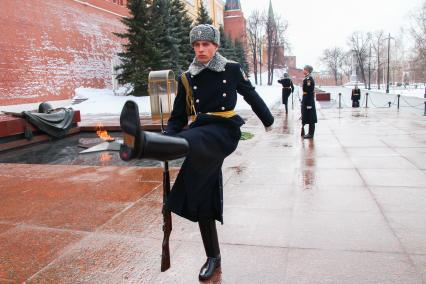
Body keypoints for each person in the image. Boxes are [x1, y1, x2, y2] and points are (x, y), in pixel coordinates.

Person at [119, 24, 274, 281]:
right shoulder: (187, 77)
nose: (201, 49)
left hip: (223, 130)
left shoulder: (232, 69)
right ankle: (213, 256)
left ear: (215, 46)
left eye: (206, 44)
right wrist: (169, 135)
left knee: (192, 139)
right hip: (200, 130)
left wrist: (268, 120)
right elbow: (178, 116)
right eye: (196, 45)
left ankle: (142, 145)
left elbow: (251, 96)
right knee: (204, 195)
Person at [300, 65, 317, 139]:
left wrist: (308, 103)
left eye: (304, 69)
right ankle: (309, 133)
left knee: (311, 117)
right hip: (307, 99)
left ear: (307, 70)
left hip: (309, 100)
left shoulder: (309, 79)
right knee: (309, 116)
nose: (303, 70)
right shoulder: (307, 78)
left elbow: (309, 91)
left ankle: (311, 134)